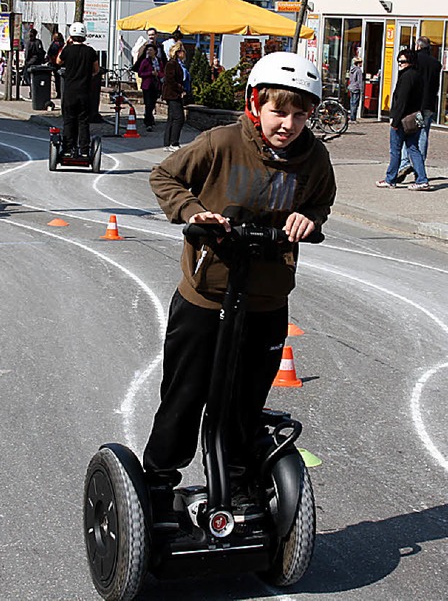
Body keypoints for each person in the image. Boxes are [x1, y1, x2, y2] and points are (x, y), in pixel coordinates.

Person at [142, 52, 336, 523]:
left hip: (267, 297)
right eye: (278, 111)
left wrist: (307, 219)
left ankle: (239, 484)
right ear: (256, 104)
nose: (288, 123)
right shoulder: (222, 143)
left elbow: (320, 203)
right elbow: (164, 176)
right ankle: (159, 482)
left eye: (300, 113)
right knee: (186, 394)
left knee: (244, 401)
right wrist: (193, 213)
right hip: (207, 295)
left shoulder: (314, 158)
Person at [376, 47, 432, 191]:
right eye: (398, 61)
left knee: (395, 150)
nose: (400, 64)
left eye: (403, 61)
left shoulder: (407, 77)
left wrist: (394, 120)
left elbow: (401, 101)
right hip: (414, 118)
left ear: (410, 61)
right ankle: (422, 179)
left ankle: (390, 179)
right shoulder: (418, 76)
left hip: (403, 120)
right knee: (413, 148)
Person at [397, 36, 442, 182]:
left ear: (417, 46)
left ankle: (406, 164)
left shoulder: (413, 60)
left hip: (414, 104)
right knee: (423, 136)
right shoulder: (436, 63)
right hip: (429, 105)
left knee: (407, 133)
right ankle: (419, 168)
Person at [56, 21, 100, 157]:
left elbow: (58, 61)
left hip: (70, 92)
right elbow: (96, 70)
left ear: (71, 35)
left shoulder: (67, 50)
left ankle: (69, 149)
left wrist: (66, 45)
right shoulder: (90, 51)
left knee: (69, 120)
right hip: (85, 92)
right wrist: (88, 75)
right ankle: (85, 150)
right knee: (83, 122)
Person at [161, 45, 189, 151]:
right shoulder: (172, 64)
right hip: (172, 94)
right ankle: (174, 142)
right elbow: (170, 79)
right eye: (182, 52)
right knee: (179, 118)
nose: (184, 54)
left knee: (172, 118)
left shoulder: (178, 64)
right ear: (177, 53)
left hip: (173, 94)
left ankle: (167, 143)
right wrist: (180, 89)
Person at [138, 43, 164, 131]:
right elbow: (140, 73)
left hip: (156, 85)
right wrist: (150, 73)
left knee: (152, 104)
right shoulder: (145, 61)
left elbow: (162, 72)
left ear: (155, 52)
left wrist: (159, 74)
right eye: (148, 50)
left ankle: (149, 118)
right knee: (148, 104)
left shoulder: (159, 61)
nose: (149, 52)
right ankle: (148, 122)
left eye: (151, 50)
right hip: (147, 85)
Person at [47, 31, 65, 98]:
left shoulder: (54, 45)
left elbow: (50, 54)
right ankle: (62, 92)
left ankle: (59, 92)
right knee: (62, 79)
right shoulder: (63, 44)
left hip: (55, 64)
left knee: (57, 79)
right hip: (63, 64)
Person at [347, 57, 363, 122]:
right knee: (355, 103)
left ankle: (351, 117)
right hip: (356, 88)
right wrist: (361, 89)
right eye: (361, 63)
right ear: (358, 63)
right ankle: (353, 118)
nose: (362, 64)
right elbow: (360, 81)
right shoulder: (358, 70)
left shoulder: (351, 69)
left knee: (351, 103)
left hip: (351, 87)